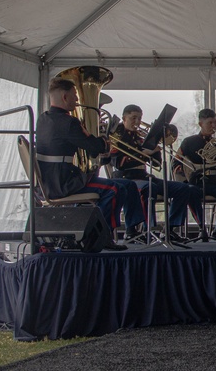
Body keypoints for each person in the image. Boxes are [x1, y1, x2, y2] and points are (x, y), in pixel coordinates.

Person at [35, 77, 145, 248]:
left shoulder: (43, 119)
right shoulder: (69, 122)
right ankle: (101, 236)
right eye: (74, 97)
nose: (77, 100)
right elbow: (95, 146)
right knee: (114, 189)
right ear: (65, 97)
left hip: (49, 181)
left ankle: (121, 230)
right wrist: (103, 139)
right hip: (63, 183)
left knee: (124, 186)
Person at [108, 104, 202, 244]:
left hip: (144, 176)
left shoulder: (140, 137)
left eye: (139, 118)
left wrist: (155, 145)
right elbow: (118, 163)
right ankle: (145, 230)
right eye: (133, 118)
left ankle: (170, 229)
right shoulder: (116, 136)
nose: (137, 122)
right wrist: (143, 154)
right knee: (148, 188)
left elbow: (156, 164)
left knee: (183, 188)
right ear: (124, 118)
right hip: (126, 178)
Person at [174, 108, 216, 242]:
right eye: (210, 123)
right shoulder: (189, 142)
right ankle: (201, 228)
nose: (214, 126)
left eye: (215, 122)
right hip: (196, 182)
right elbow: (176, 163)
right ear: (200, 124)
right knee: (190, 192)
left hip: (213, 181)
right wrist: (183, 182)